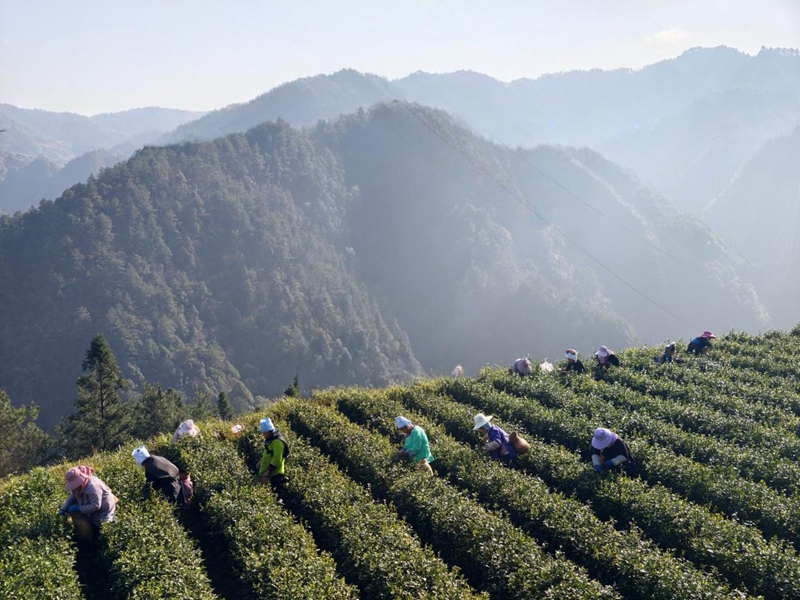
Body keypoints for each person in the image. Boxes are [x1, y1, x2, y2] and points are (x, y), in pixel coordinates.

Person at [59, 466, 117, 540]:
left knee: (103, 529)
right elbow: (72, 496)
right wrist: (63, 509)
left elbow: (96, 505)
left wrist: (79, 508)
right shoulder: (79, 487)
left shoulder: (92, 488)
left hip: (104, 509)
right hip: (94, 509)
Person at [256, 417, 290, 491]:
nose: (263, 435)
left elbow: (277, 459)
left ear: (269, 431)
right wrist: (260, 461)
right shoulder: (270, 439)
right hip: (266, 472)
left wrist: (268, 471)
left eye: (264, 433)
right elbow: (267, 452)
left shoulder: (278, 442)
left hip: (274, 474)